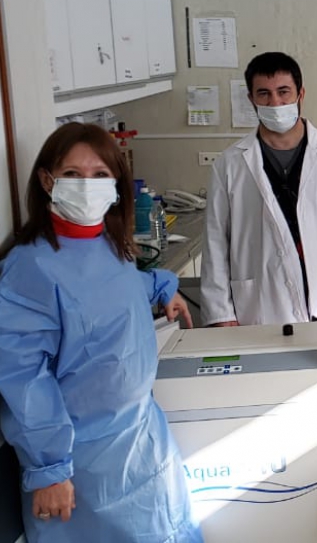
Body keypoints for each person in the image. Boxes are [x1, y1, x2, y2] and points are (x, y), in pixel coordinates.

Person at [0, 124, 200, 542]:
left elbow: (109, 292)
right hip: (83, 467)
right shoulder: (29, 268)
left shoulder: (109, 245)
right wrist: (49, 470)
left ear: (115, 184)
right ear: (47, 181)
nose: (87, 186)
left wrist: (162, 285)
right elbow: (23, 378)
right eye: (72, 175)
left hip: (141, 443)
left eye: (99, 175)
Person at [200, 52, 317, 365]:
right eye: (264, 94)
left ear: (300, 94)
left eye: (283, 92)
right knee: (271, 385)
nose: (275, 103)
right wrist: (220, 312)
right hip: (262, 304)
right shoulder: (230, 164)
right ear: (251, 99)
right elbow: (216, 241)